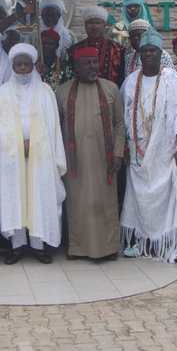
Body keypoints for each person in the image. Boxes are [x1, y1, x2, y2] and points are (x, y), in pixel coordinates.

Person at [121, 30, 177, 261]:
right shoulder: (132, 80)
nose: (148, 54)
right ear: (140, 54)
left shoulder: (172, 78)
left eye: (153, 50)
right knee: (140, 198)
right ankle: (145, 242)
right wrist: (125, 145)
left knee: (168, 197)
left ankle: (171, 243)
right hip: (139, 150)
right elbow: (124, 115)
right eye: (144, 51)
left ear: (160, 52)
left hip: (166, 148)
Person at [0, 44, 67, 264]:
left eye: (27, 64)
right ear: (12, 66)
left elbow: (52, 126)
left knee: (38, 197)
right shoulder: (1, 93)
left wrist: (34, 144)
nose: (23, 68)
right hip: (10, 158)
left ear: (33, 66)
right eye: (18, 64)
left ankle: (38, 244)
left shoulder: (45, 92)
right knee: (14, 197)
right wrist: (16, 144)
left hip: (40, 157)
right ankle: (17, 245)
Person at [56, 46, 125, 260]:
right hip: (74, 161)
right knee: (77, 205)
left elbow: (119, 123)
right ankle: (78, 248)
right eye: (86, 63)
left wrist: (118, 153)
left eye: (94, 62)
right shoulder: (62, 91)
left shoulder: (111, 88)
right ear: (76, 67)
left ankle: (109, 247)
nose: (92, 67)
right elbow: (56, 127)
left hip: (105, 159)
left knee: (105, 204)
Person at [69, 6, 124, 87]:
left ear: (104, 25)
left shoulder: (117, 49)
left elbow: (121, 77)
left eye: (98, 23)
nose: (94, 26)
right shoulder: (75, 49)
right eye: (90, 23)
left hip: (110, 94)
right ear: (85, 26)